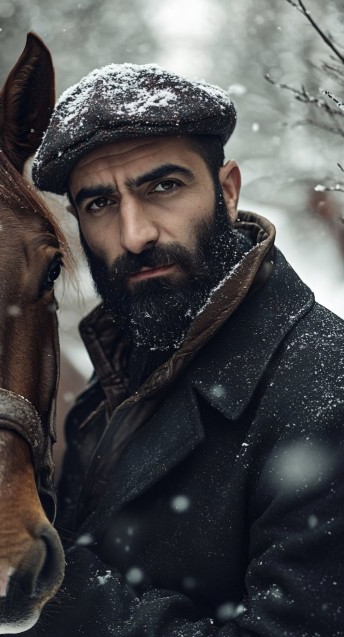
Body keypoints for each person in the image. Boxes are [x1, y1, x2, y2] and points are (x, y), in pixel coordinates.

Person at [30, 63, 344, 636]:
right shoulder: (123, 367)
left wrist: (63, 596)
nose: (135, 234)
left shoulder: (326, 385)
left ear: (227, 192)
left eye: (163, 186)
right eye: (100, 204)